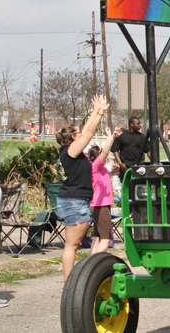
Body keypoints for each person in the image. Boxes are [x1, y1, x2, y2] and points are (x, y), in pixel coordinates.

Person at [56, 94, 109, 281]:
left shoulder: (71, 151)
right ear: (72, 138)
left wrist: (95, 111)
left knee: (73, 243)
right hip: (74, 200)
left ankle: (69, 283)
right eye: (77, 133)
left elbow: (86, 129)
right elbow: (88, 134)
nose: (82, 133)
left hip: (75, 199)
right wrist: (100, 114)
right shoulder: (70, 151)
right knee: (72, 244)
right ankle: (68, 283)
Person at [88, 128, 116, 254]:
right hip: (100, 205)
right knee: (106, 238)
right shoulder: (96, 166)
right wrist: (111, 137)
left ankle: (91, 259)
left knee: (97, 236)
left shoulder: (97, 168)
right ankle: (96, 262)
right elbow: (105, 152)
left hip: (97, 205)